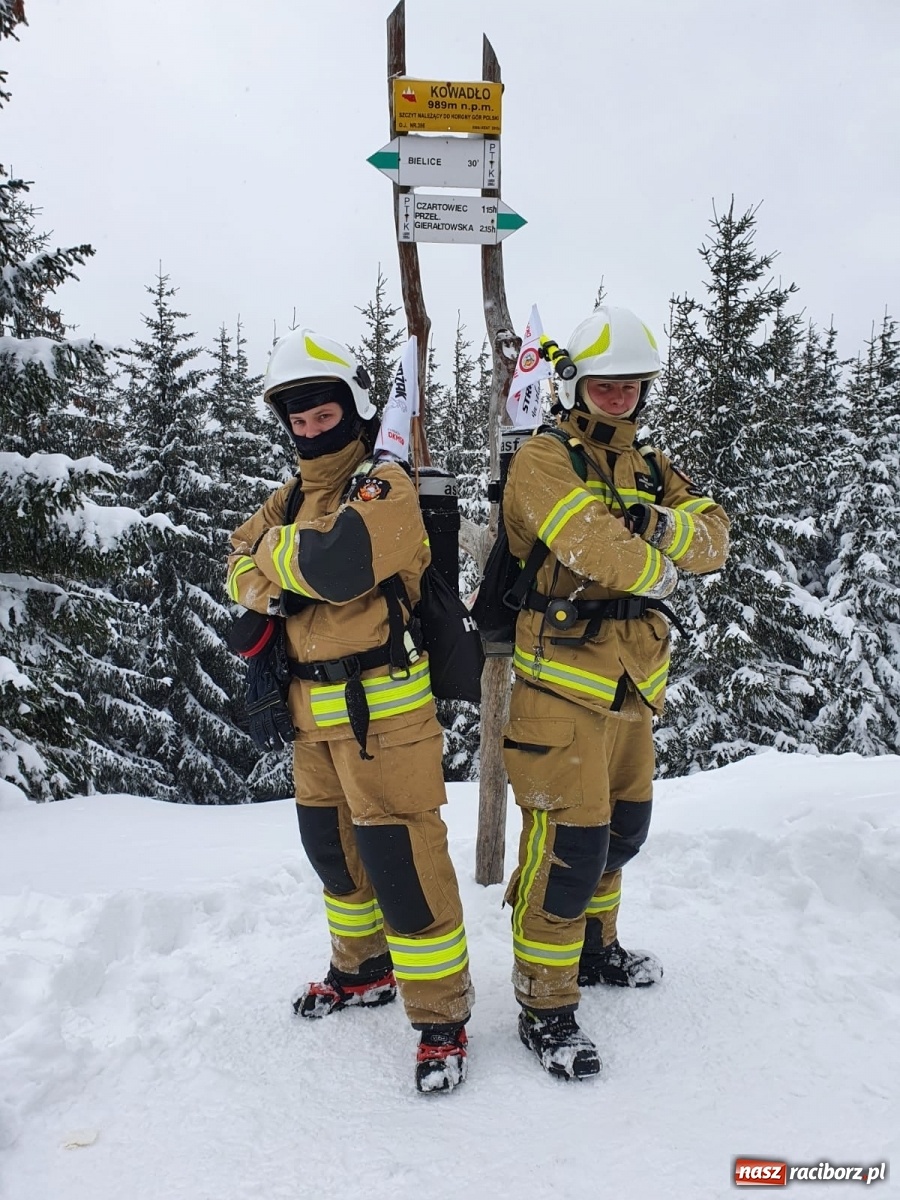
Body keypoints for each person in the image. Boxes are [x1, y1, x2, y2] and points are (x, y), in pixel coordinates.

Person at [227, 328, 473, 1093]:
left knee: (403, 864)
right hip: (309, 714)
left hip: (386, 716)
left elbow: (336, 568)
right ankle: (361, 969)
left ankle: (440, 1017)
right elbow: (236, 560)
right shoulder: (293, 497)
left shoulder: (384, 485)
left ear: (356, 407)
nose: (309, 428)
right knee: (332, 854)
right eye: (295, 418)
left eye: (321, 412)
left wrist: (279, 561)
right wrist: (280, 562)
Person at [500, 305, 730, 1079]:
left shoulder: (650, 466)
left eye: (633, 386)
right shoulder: (543, 456)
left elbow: (716, 539)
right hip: (559, 685)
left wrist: (652, 520)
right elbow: (598, 550)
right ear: (576, 385)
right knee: (569, 850)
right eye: (606, 386)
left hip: (632, 683)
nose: (621, 397)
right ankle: (546, 1001)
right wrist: (660, 553)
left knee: (623, 832)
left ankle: (597, 951)